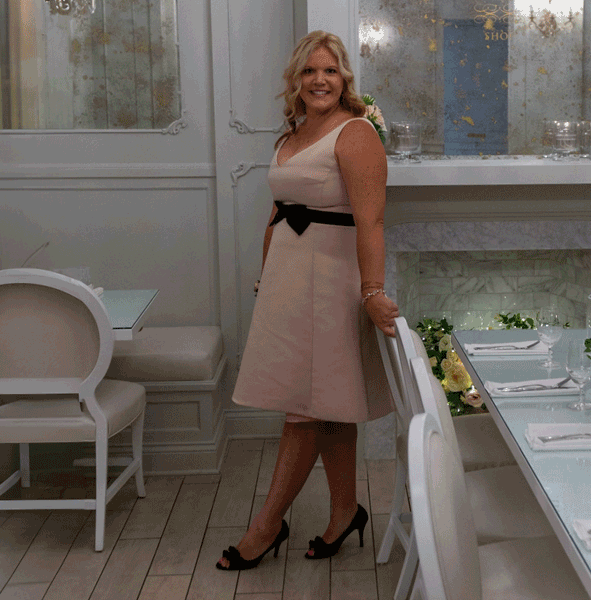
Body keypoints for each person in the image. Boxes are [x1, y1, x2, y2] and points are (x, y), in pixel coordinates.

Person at [216, 30, 400, 571]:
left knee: (303, 411)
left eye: (330, 71)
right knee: (329, 406)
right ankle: (345, 512)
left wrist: (371, 291)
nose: (320, 80)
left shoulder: (356, 133)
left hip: (332, 288)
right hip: (290, 286)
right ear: (296, 80)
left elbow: (372, 222)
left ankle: (266, 525)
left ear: (345, 79)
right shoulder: (291, 136)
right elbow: (278, 213)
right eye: (310, 71)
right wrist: (268, 279)